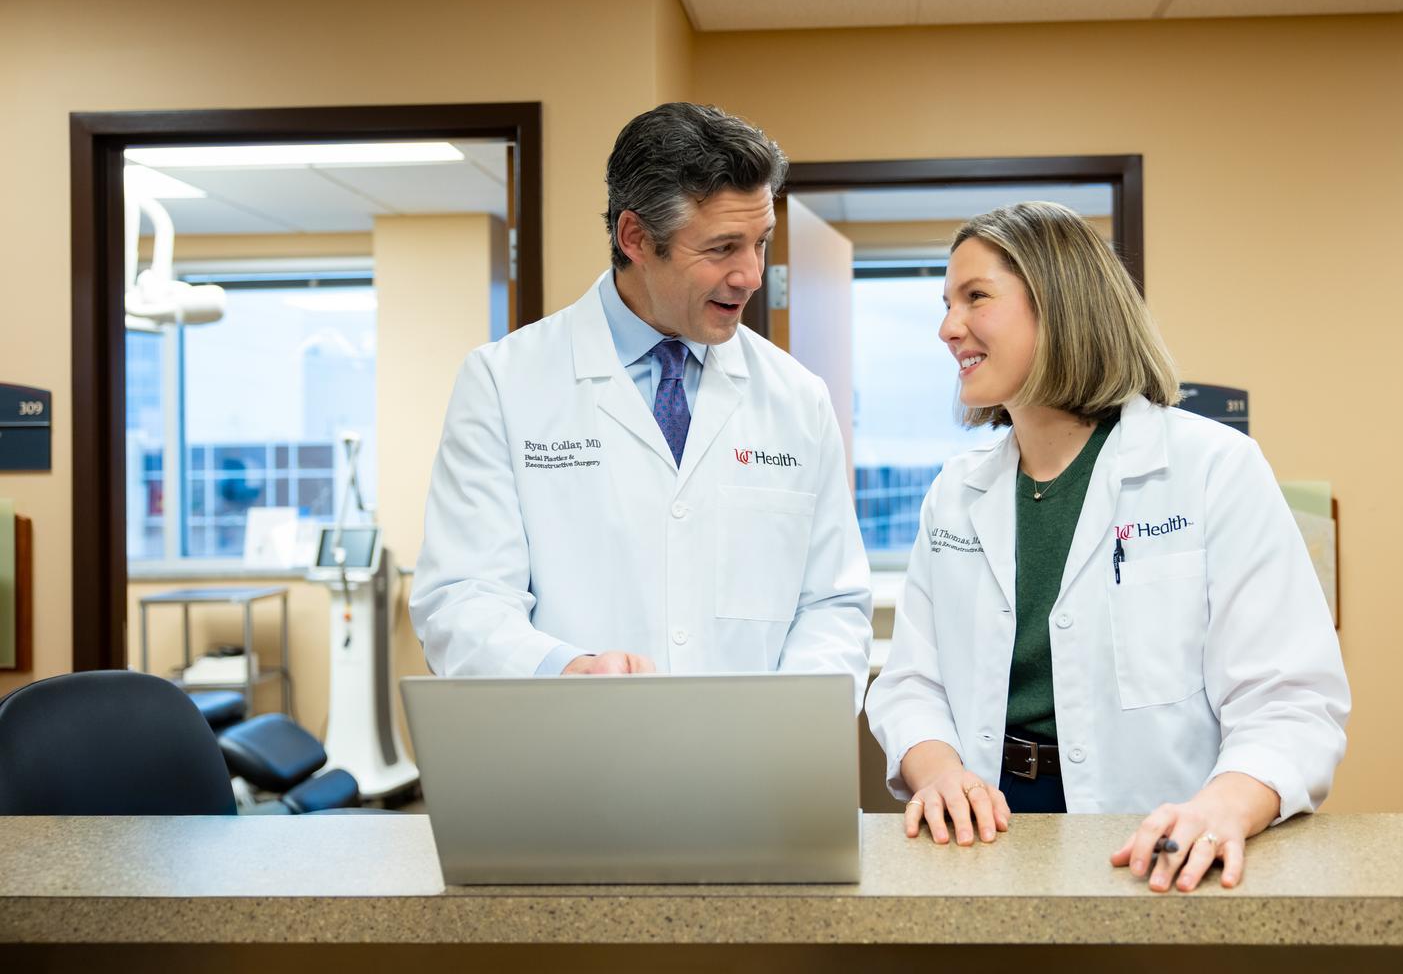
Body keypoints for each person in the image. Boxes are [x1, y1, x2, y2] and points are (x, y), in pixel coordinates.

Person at [863, 201, 1349, 891]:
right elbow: (913, 680)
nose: (947, 327)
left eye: (975, 297)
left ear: (1061, 306)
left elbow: (1291, 699)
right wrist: (937, 771)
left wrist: (1224, 807)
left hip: (1159, 834)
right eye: (946, 302)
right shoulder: (956, 491)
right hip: (984, 836)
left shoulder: (1210, 467)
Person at [410, 103, 871, 698]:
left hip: (749, 770)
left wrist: (789, 716)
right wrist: (564, 670)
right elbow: (462, 598)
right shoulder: (504, 383)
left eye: (760, 243)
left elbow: (832, 602)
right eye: (722, 248)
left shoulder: (798, 398)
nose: (752, 275)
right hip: (578, 758)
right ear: (635, 237)